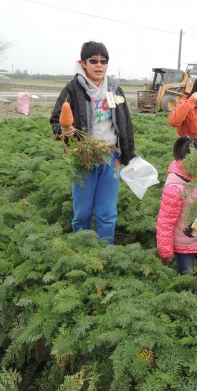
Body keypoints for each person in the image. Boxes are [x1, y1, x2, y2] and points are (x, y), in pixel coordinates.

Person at [50, 41, 135, 245]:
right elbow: (55, 120)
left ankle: (106, 251)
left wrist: (129, 155)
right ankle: (83, 250)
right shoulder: (72, 89)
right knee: (83, 211)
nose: (99, 65)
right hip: (84, 155)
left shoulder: (114, 89)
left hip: (110, 154)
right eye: (93, 61)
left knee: (107, 212)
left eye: (103, 61)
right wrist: (64, 130)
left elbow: (125, 123)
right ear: (83, 63)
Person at [156, 136, 197, 274]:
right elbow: (165, 222)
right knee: (188, 278)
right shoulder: (175, 188)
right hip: (184, 246)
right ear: (189, 162)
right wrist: (166, 252)